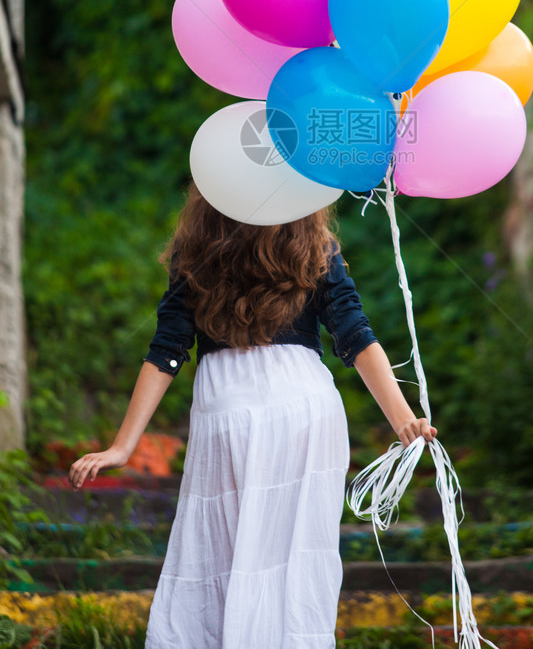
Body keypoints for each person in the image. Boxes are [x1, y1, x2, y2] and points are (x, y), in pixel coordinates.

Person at [68, 183, 436, 649]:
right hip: (305, 406)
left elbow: (167, 351)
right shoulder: (313, 242)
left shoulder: (197, 246)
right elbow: (355, 334)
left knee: (220, 556)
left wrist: (123, 446)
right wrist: (402, 418)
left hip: (228, 409)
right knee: (296, 561)